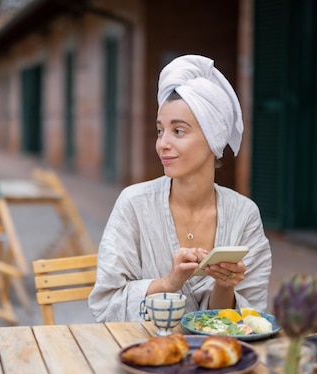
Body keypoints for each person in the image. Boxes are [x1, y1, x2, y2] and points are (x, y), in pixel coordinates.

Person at [88, 54, 272, 322]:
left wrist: (225, 284)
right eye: (160, 130)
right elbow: (105, 305)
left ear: (213, 138)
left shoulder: (244, 215)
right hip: (146, 354)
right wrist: (168, 283)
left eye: (179, 131)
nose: (162, 143)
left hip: (216, 358)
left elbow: (250, 319)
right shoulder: (134, 204)